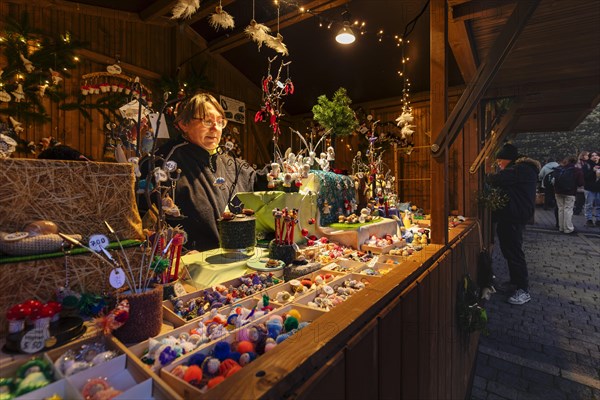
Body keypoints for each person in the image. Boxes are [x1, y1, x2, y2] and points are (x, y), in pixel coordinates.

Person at [146, 92, 258, 251]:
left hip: (238, 258)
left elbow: (261, 185)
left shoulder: (233, 165)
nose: (215, 128)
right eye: (207, 121)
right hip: (187, 266)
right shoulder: (163, 162)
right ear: (184, 124)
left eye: (220, 122)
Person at [487, 143, 540, 305]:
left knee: (514, 253)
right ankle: (515, 283)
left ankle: (523, 290)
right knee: (510, 252)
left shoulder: (520, 169)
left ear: (507, 159)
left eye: (500, 161)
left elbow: (496, 180)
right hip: (512, 216)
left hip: (514, 217)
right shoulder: (520, 168)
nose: (499, 165)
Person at [553, 156, 584, 234]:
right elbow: (580, 183)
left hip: (558, 191)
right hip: (570, 192)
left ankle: (561, 227)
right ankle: (568, 228)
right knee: (568, 210)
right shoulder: (577, 170)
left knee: (561, 209)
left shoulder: (559, 169)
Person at [538, 158, 559, 227]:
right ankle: (554, 205)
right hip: (555, 183)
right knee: (554, 194)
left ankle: (546, 206)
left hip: (547, 183)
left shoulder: (545, 167)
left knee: (547, 194)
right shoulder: (558, 166)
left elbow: (540, 176)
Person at [582, 151, 600, 227]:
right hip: (589, 188)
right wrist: (593, 171)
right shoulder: (587, 165)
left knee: (598, 205)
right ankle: (589, 219)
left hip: (599, 188)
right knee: (589, 205)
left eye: (596, 155)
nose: (594, 157)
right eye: (592, 155)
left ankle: (598, 219)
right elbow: (585, 176)